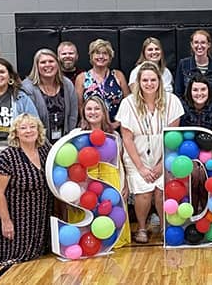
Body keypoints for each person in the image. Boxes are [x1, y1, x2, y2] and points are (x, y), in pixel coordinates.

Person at [116, 62, 184, 243]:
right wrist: (142, 168)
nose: (149, 83)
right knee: (144, 192)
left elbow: (173, 137)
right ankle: (142, 228)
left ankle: (164, 227)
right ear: (138, 82)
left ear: (159, 82)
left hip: (164, 154)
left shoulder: (172, 101)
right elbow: (127, 138)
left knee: (161, 191)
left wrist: (162, 164)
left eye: (153, 80)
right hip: (136, 156)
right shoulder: (128, 103)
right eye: (145, 80)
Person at [0, 114, 53, 267]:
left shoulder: (46, 150)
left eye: (32, 127)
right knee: (19, 260)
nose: (28, 131)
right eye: (23, 128)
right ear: (15, 133)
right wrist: (6, 221)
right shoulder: (7, 157)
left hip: (41, 220)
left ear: (39, 130)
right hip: (18, 220)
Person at [80, 96, 131, 247]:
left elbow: (121, 162)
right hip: (88, 182)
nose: (93, 112)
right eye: (89, 109)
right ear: (83, 112)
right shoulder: (77, 135)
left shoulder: (114, 136)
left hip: (111, 180)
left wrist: (125, 184)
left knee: (112, 213)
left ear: (104, 112)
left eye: (97, 109)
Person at [22, 48, 79, 143]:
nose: (47, 65)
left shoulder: (67, 84)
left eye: (51, 61)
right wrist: (43, 143)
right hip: (38, 142)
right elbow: (29, 120)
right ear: (36, 66)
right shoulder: (28, 88)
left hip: (64, 141)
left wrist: (68, 137)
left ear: (57, 64)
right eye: (43, 62)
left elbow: (73, 113)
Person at [75, 38, 131, 129]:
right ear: (91, 56)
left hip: (116, 127)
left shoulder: (118, 75)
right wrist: (84, 121)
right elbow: (79, 105)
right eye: (97, 53)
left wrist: (119, 122)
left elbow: (128, 102)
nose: (101, 56)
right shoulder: (82, 78)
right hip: (91, 127)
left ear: (110, 57)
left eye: (105, 53)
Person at [175, 30, 212, 97]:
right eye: (196, 42)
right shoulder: (183, 64)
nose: (199, 46)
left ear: (209, 45)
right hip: (187, 107)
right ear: (192, 45)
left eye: (203, 42)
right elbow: (179, 93)